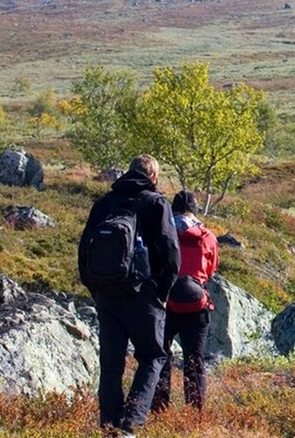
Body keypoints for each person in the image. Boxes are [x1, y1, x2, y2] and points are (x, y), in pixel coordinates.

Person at [78, 154, 180, 438]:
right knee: (153, 357)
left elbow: (84, 250)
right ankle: (129, 426)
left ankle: (109, 427)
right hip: (143, 295)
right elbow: (171, 253)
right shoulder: (156, 203)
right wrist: (162, 292)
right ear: (154, 177)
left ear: (128, 172)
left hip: (107, 295)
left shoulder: (104, 203)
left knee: (111, 366)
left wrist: (96, 290)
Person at [152, 190, 219, 412]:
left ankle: (159, 408)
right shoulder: (207, 236)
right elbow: (211, 270)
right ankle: (194, 413)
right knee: (194, 360)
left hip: (166, 303)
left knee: (161, 356)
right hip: (196, 304)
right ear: (194, 211)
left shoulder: (163, 233)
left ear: (173, 210)